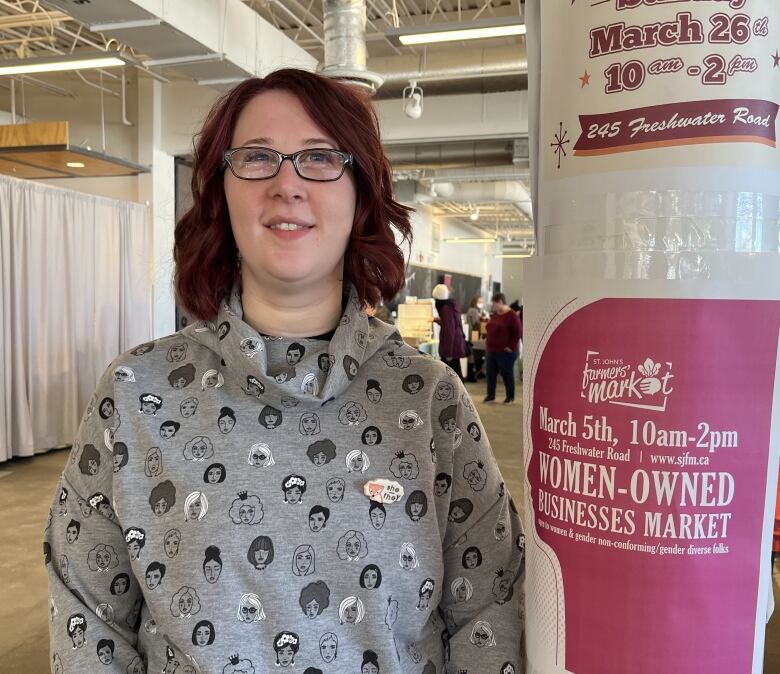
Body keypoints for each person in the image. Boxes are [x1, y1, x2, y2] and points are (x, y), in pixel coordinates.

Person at [44, 69, 523, 674]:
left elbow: (488, 610)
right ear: (220, 192)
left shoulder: (429, 401)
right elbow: (88, 620)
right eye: (257, 157)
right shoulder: (139, 394)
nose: (287, 183)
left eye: (319, 158)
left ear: (360, 193)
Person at [484, 292, 522, 404]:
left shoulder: (512, 315)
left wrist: (511, 346)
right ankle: (490, 396)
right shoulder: (496, 314)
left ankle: (510, 397)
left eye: (494, 304)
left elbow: (518, 332)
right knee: (490, 374)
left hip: (505, 352)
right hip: (492, 350)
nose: (493, 306)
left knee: (506, 374)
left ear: (500, 302)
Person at [431, 283, 468, 379]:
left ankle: (459, 393)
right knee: (455, 373)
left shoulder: (446, 309)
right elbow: (451, 325)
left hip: (451, 348)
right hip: (455, 346)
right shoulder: (451, 306)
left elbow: (449, 332)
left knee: (453, 375)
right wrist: (439, 320)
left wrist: (448, 353)